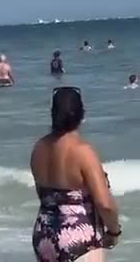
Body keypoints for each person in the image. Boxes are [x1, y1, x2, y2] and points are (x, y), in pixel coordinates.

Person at [31, 86, 121, 261]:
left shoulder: (38, 148)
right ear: (82, 114)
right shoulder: (83, 152)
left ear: (53, 114)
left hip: (44, 234)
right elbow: (104, 204)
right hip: (79, 237)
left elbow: (44, 195)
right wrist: (114, 231)